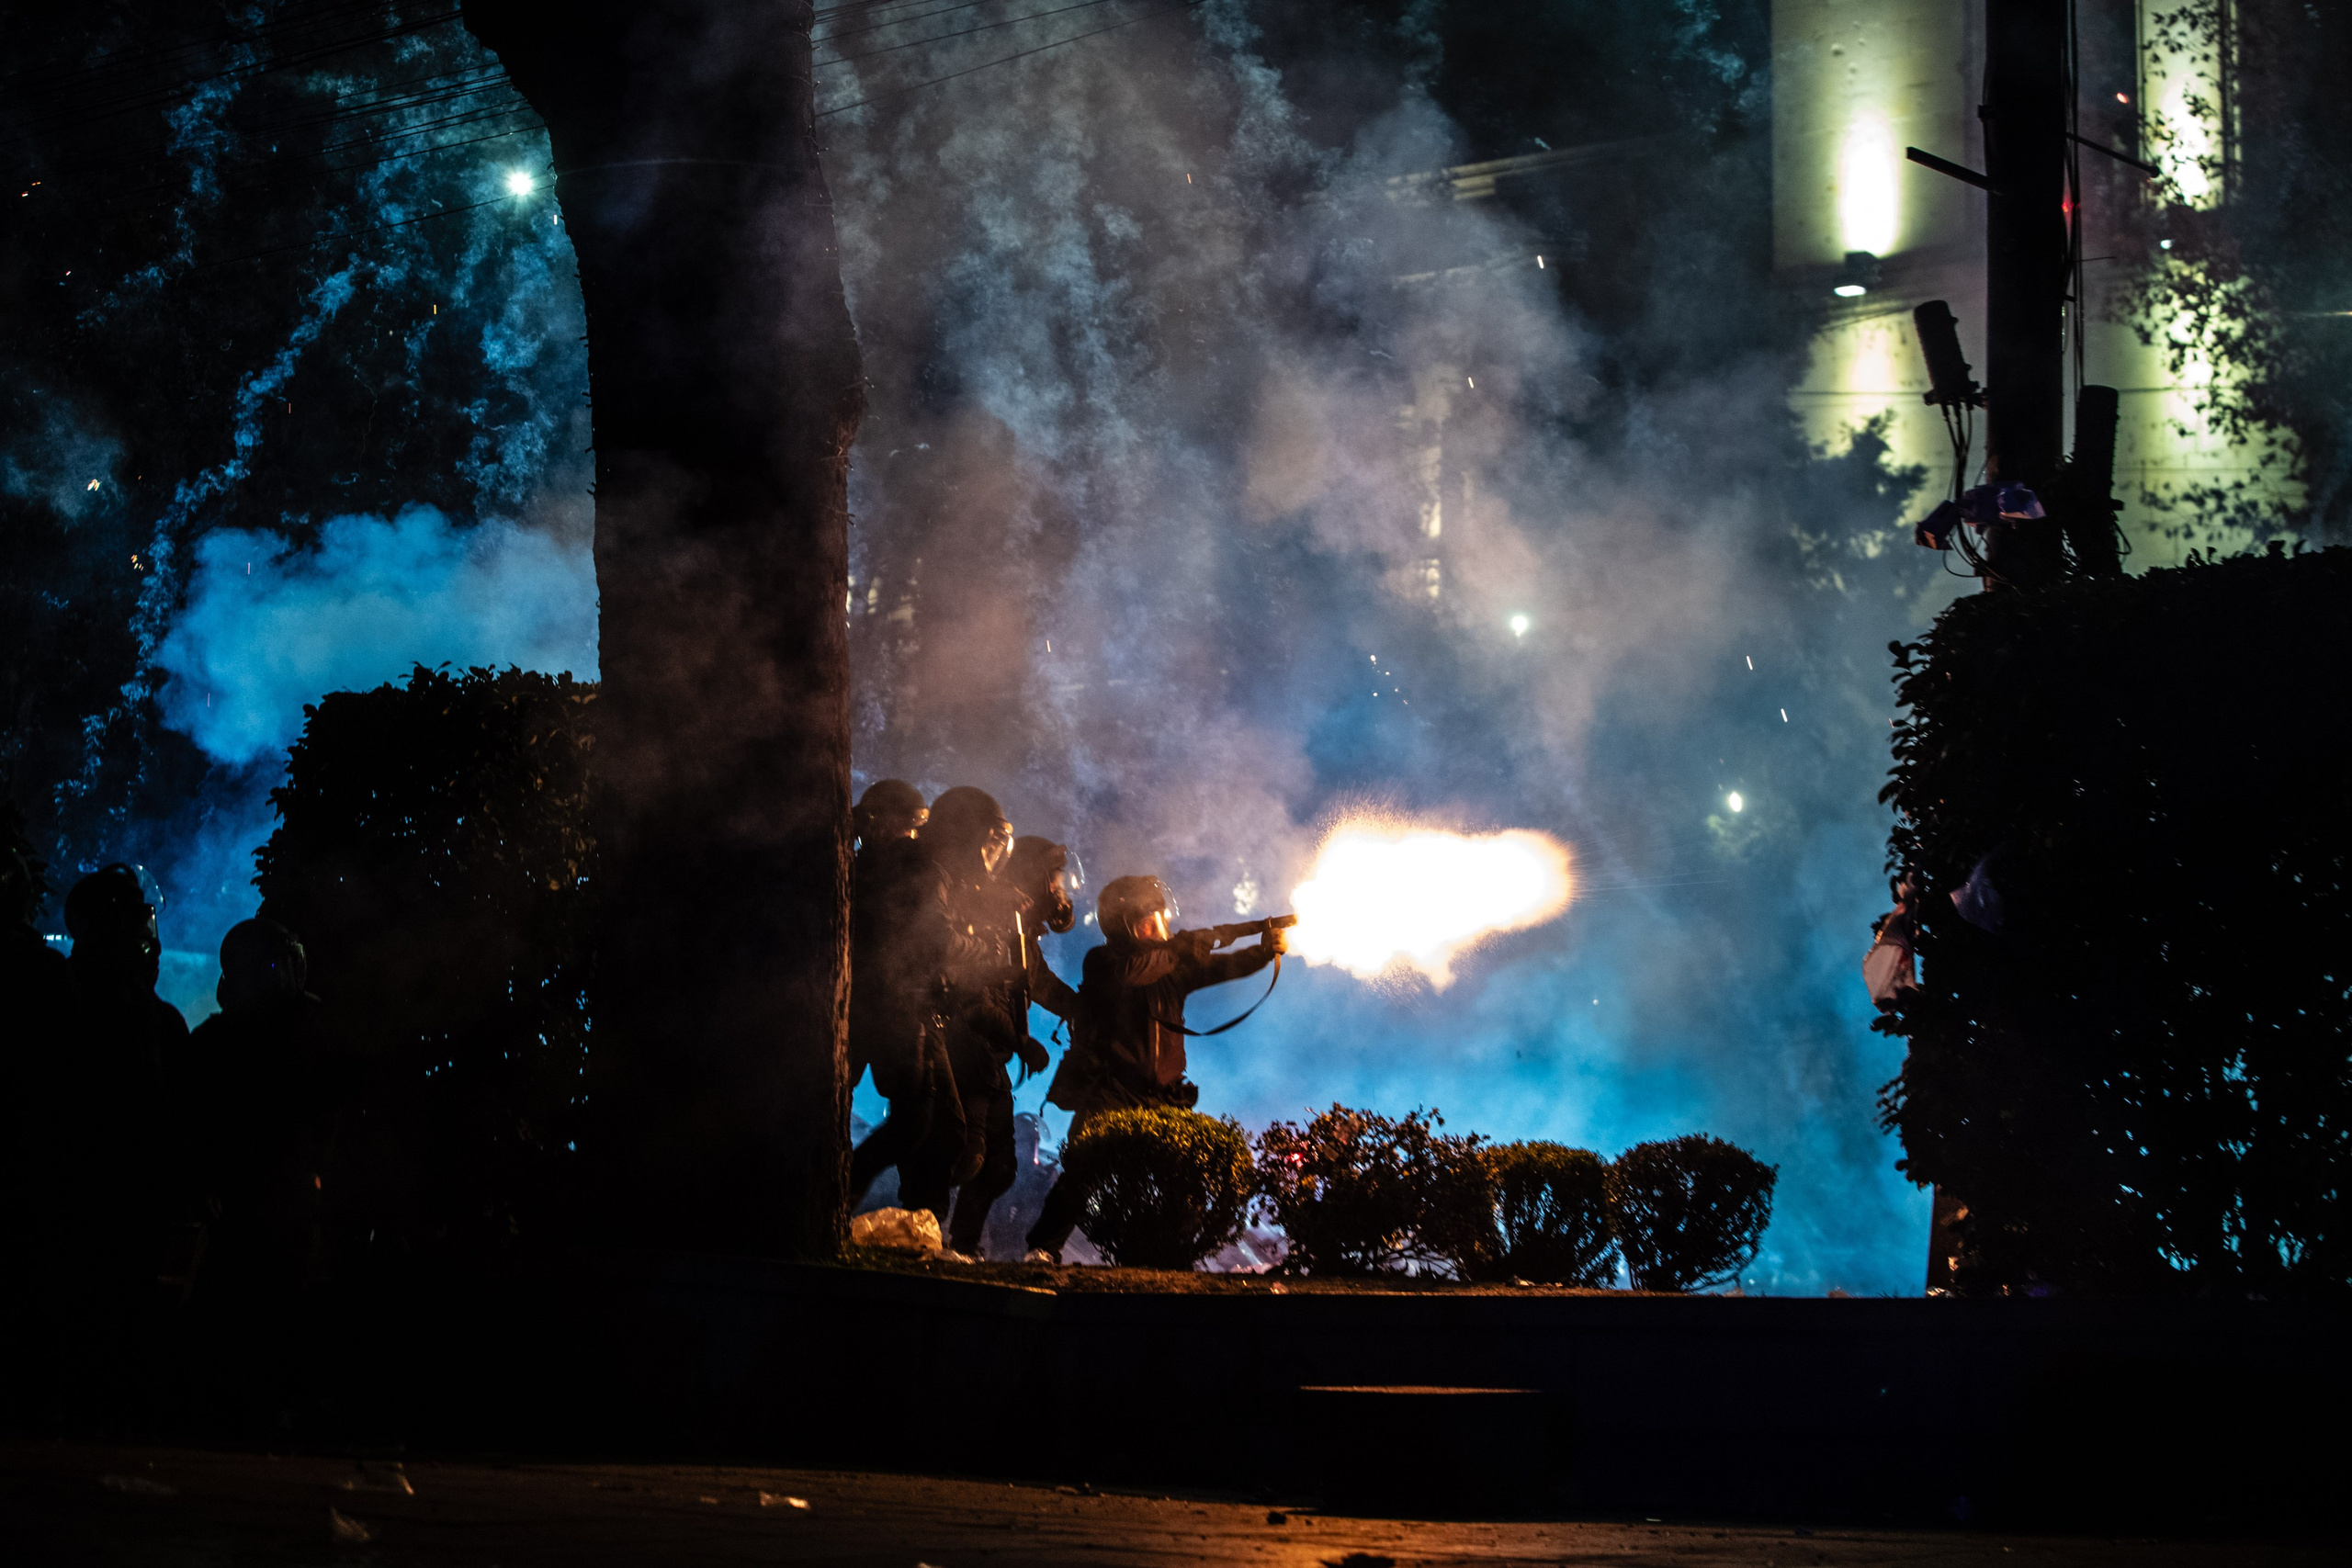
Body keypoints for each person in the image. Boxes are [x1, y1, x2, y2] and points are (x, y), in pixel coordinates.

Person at [1023, 874, 1284, 1263]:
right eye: (1149, 921)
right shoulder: (1103, 962)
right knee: (1083, 1171)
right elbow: (1134, 972)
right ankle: (1043, 1249)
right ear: (1125, 925)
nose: (1160, 928)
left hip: (1163, 1094)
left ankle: (1172, 1256)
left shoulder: (1170, 967)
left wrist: (1262, 952)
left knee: (1182, 1179)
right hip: (1110, 1089)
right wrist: (1181, 947)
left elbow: (1221, 967)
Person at [846, 786, 1017, 1229]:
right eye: (988, 842)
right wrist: (984, 952)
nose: (991, 855)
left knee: (941, 1130)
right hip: (900, 1008)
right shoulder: (921, 866)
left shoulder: (914, 867)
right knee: (924, 1126)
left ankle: (915, 1226)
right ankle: (846, 1200)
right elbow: (934, 938)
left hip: (905, 1007)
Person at [182, 918, 340, 1303]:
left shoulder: (210, 1042)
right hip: (262, 1213)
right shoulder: (313, 1037)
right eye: (278, 964)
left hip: (256, 1214)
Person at [942, 835, 1082, 1258]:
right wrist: (1022, 1042)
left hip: (990, 1060)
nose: (1060, 890)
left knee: (999, 1167)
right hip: (969, 1056)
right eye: (1055, 880)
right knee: (966, 1154)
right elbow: (976, 1002)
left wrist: (1090, 1009)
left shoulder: (1021, 934)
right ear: (1036, 879)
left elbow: (1039, 984)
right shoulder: (995, 923)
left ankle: (961, 1247)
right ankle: (924, 1229)